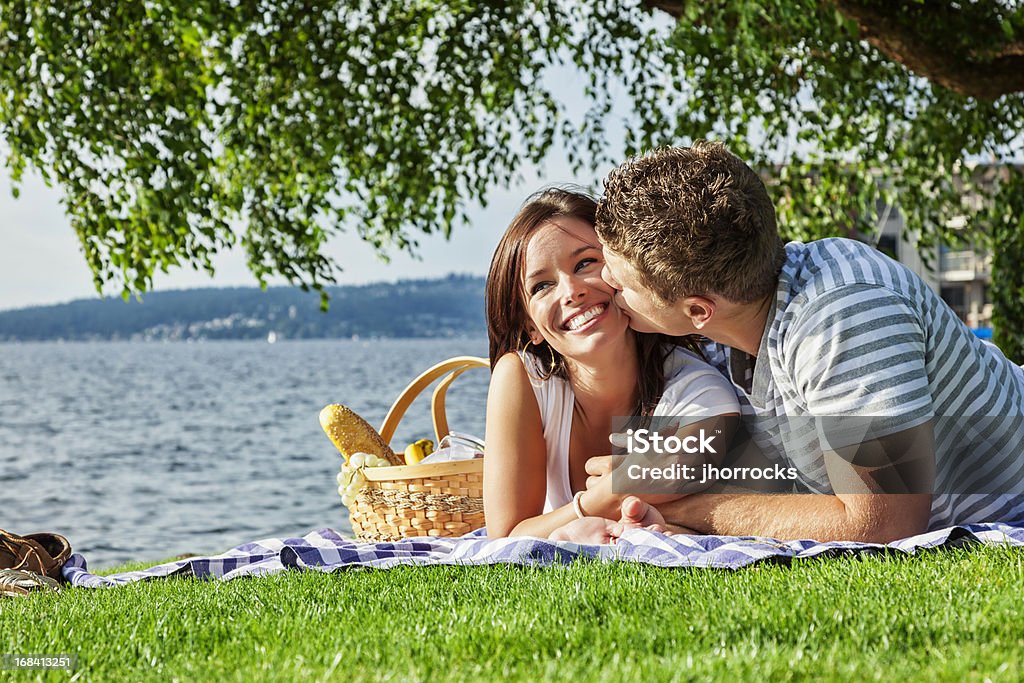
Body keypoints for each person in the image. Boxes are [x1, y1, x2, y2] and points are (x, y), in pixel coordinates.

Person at [591, 141, 1024, 543]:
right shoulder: (730, 324)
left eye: (621, 279)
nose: (605, 282)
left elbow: (883, 522)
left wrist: (690, 510)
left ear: (699, 309)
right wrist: (647, 469)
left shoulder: (843, 316)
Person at [482, 188, 740, 539]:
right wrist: (599, 501)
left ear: (624, 272)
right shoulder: (523, 378)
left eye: (586, 263)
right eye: (542, 286)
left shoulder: (693, 387)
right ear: (530, 325)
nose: (571, 291)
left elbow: (713, 456)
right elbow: (505, 535)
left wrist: (616, 493)